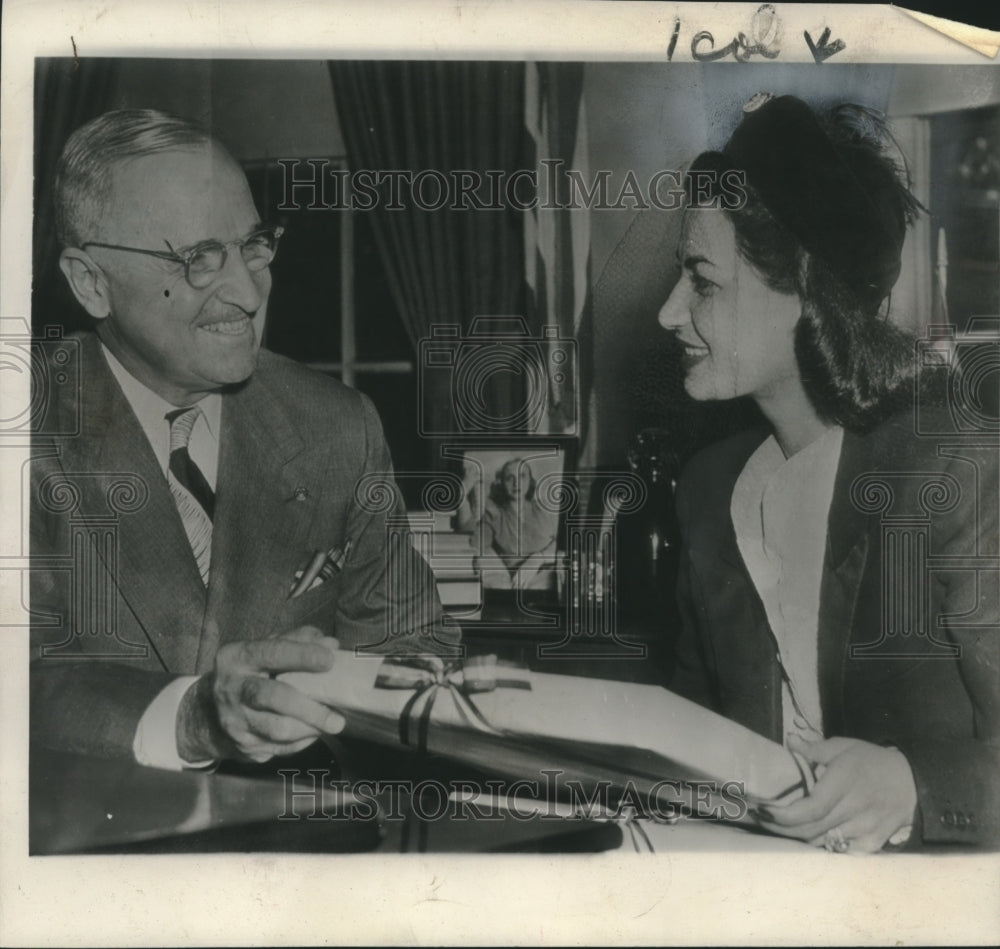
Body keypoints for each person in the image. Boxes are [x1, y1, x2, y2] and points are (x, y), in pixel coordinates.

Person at [30, 109, 457, 769]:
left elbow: (414, 641)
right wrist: (194, 716)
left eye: (254, 245)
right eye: (199, 259)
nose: (248, 291)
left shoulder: (338, 425)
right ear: (90, 282)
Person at [659, 94, 999, 851]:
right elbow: (689, 741)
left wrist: (912, 782)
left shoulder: (956, 469)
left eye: (703, 282)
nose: (668, 312)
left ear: (803, 294)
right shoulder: (712, 490)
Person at [455, 458, 557, 590]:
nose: (516, 483)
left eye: (522, 476)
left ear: (530, 481)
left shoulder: (544, 509)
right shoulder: (495, 514)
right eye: (510, 478)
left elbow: (562, 543)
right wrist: (463, 494)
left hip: (543, 575)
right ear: (502, 483)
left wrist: (537, 559)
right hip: (510, 582)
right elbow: (473, 540)